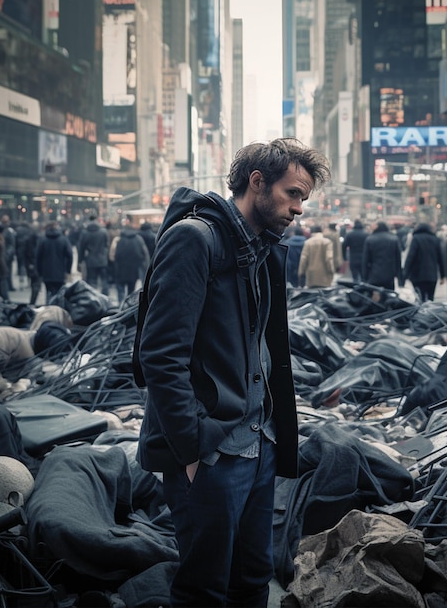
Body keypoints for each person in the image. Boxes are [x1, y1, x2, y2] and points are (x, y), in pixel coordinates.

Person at [137, 138, 330, 607]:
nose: (299, 208)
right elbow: (161, 354)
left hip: (259, 445)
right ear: (257, 183)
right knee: (204, 588)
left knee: (252, 578)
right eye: (293, 193)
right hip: (211, 454)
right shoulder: (195, 239)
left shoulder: (262, 248)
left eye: (304, 198)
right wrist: (191, 446)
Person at [402, 222, 445, 302]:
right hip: (432, 275)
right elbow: (440, 258)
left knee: (419, 298)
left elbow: (411, 257)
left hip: (417, 275)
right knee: (430, 298)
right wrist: (443, 275)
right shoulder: (435, 239)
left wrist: (405, 275)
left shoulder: (416, 238)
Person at [110, 219, 150, 304]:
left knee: (120, 289)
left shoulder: (119, 239)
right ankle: (128, 305)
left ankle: (120, 304)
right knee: (131, 290)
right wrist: (145, 267)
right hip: (133, 270)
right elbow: (145, 254)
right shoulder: (138, 239)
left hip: (120, 269)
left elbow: (114, 255)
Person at [35, 221, 73, 302]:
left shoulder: (43, 240)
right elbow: (70, 256)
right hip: (60, 272)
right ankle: (57, 310)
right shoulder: (63, 239)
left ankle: (49, 309)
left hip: (46, 272)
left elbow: (38, 257)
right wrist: (67, 270)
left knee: (48, 292)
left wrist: (39, 272)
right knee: (59, 294)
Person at [362, 221, 402, 290]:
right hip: (389, 275)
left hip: (374, 275)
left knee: (375, 297)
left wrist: (364, 277)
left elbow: (365, 260)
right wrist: (400, 278)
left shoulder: (370, 239)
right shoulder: (394, 239)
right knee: (389, 296)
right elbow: (398, 259)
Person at [77, 214, 110, 296]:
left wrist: (80, 261)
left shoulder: (85, 233)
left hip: (90, 260)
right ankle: (106, 298)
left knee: (92, 281)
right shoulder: (103, 232)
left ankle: (93, 298)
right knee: (104, 280)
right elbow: (107, 245)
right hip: (102, 260)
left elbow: (81, 248)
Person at [298, 223, 335, 288]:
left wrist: (301, 272)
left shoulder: (308, 242)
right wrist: (331, 271)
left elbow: (303, 259)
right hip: (325, 276)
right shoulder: (327, 242)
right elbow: (329, 258)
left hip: (311, 276)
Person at [342, 219, 369, 284]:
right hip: (364, 258)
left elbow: (344, 246)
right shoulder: (366, 234)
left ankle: (355, 288)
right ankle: (363, 289)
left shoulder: (350, 234)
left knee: (355, 276)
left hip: (353, 257)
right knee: (364, 276)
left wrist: (344, 257)